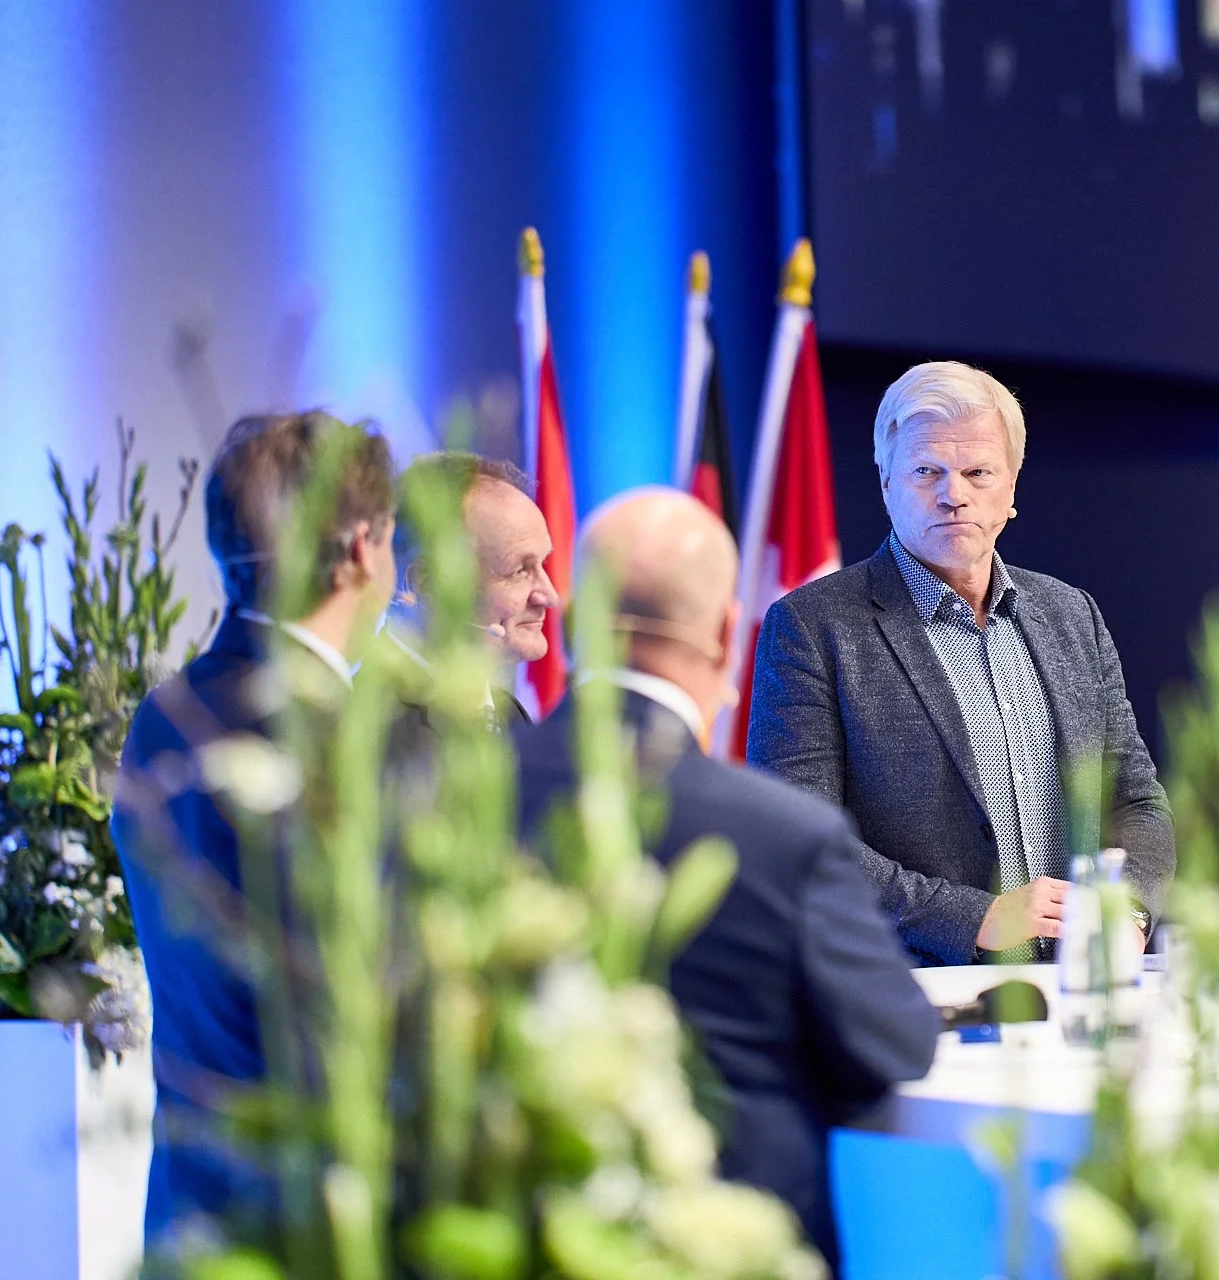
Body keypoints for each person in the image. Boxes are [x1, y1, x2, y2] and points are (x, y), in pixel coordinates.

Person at [514, 487, 939, 1266]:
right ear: (721, 636)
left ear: (573, 627)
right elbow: (897, 1042)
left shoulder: (444, 803)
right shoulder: (786, 835)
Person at [746, 360, 1174, 965]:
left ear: (1011, 488)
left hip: (1077, 989)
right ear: (887, 481)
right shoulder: (811, 627)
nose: (954, 494)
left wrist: (1126, 910)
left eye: (978, 472)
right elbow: (796, 837)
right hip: (910, 994)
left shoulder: (1072, 615)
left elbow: (1136, 803)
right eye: (927, 472)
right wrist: (973, 917)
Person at [111, 411, 397, 1242]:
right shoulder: (334, 735)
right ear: (357, 549)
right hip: (318, 1222)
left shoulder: (163, 715)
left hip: (192, 1206)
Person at [385, 451, 558, 726]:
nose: (549, 596)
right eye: (519, 571)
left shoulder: (513, 718)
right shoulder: (372, 728)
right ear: (427, 584)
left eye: (542, 564)